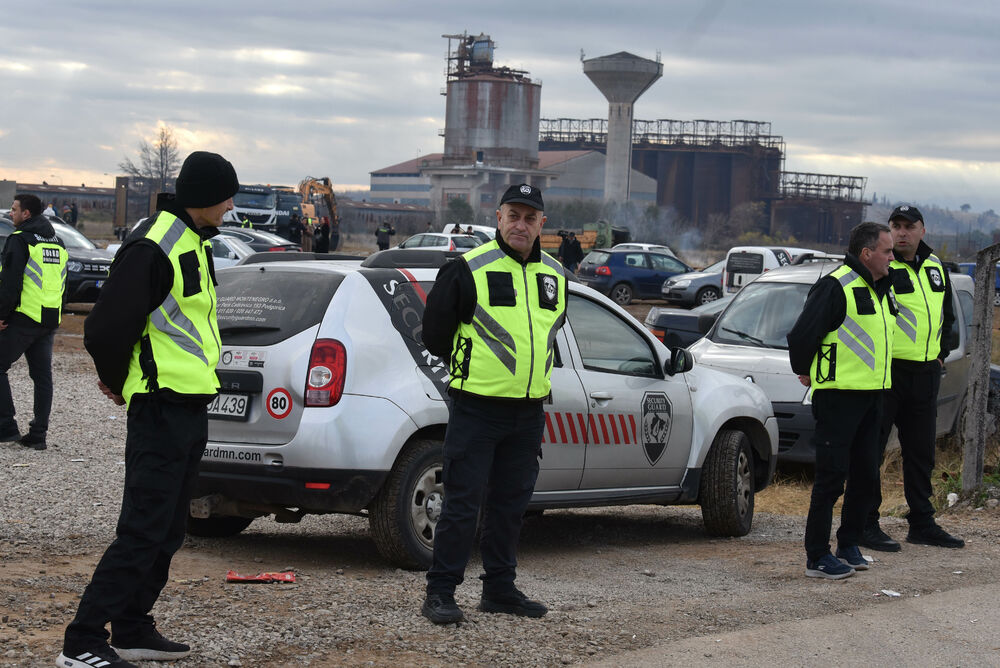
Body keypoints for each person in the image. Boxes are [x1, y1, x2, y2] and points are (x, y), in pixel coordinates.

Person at [58, 151, 239, 668]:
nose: (230, 205)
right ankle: (83, 641)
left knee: (167, 528)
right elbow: (105, 328)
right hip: (159, 408)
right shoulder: (153, 246)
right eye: (226, 195)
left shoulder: (193, 241)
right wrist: (118, 383)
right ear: (203, 197)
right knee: (141, 529)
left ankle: (133, 626)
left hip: (188, 407)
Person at [420, 183, 567, 623]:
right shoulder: (468, 268)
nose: (521, 224)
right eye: (513, 215)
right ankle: (440, 592)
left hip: (528, 412)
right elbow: (435, 335)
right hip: (477, 409)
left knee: (510, 507)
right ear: (498, 218)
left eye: (530, 217)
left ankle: (500, 590)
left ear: (542, 224)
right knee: (462, 505)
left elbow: (550, 333)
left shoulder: (555, 275)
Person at [786, 222, 896, 580]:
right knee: (831, 478)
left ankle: (848, 543)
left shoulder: (881, 288)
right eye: (887, 251)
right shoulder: (836, 286)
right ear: (867, 254)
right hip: (838, 397)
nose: (892, 257)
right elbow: (802, 335)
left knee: (865, 476)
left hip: (872, 395)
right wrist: (804, 370)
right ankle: (817, 556)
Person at [863, 205, 964, 551]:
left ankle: (922, 522)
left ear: (923, 230)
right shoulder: (881, 268)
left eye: (909, 226)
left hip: (925, 373)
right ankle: (866, 523)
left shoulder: (936, 267)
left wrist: (940, 354)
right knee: (872, 450)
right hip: (889, 373)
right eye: (896, 226)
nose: (902, 232)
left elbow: (947, 316)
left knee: (921, 453)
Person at [0, 194, 67, 451]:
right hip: (49, 319)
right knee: (42, 377)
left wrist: (1, 315)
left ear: (26, 214)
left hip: (24, 317)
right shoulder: (57, 242)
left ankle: (6, 426)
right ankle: (38, 434)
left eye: (15, 210)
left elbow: (11, 282)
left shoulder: (20, 240)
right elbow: (63, 283)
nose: (11, 213)